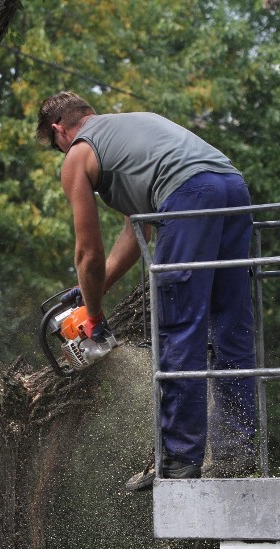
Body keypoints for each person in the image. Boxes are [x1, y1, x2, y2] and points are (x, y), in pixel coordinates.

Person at [36, 92, 256, 491]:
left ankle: (179, 460)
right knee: (229, 324)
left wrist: (96, 317)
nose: (61, 154)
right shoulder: (130, 132)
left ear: (59, 131)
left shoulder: (78, 156)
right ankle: (236, 452)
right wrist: (91, 295)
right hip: (232, 188)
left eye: (57, 147)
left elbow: (88, 251)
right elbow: (136, 233)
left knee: (180, 328)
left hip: (188, 197)